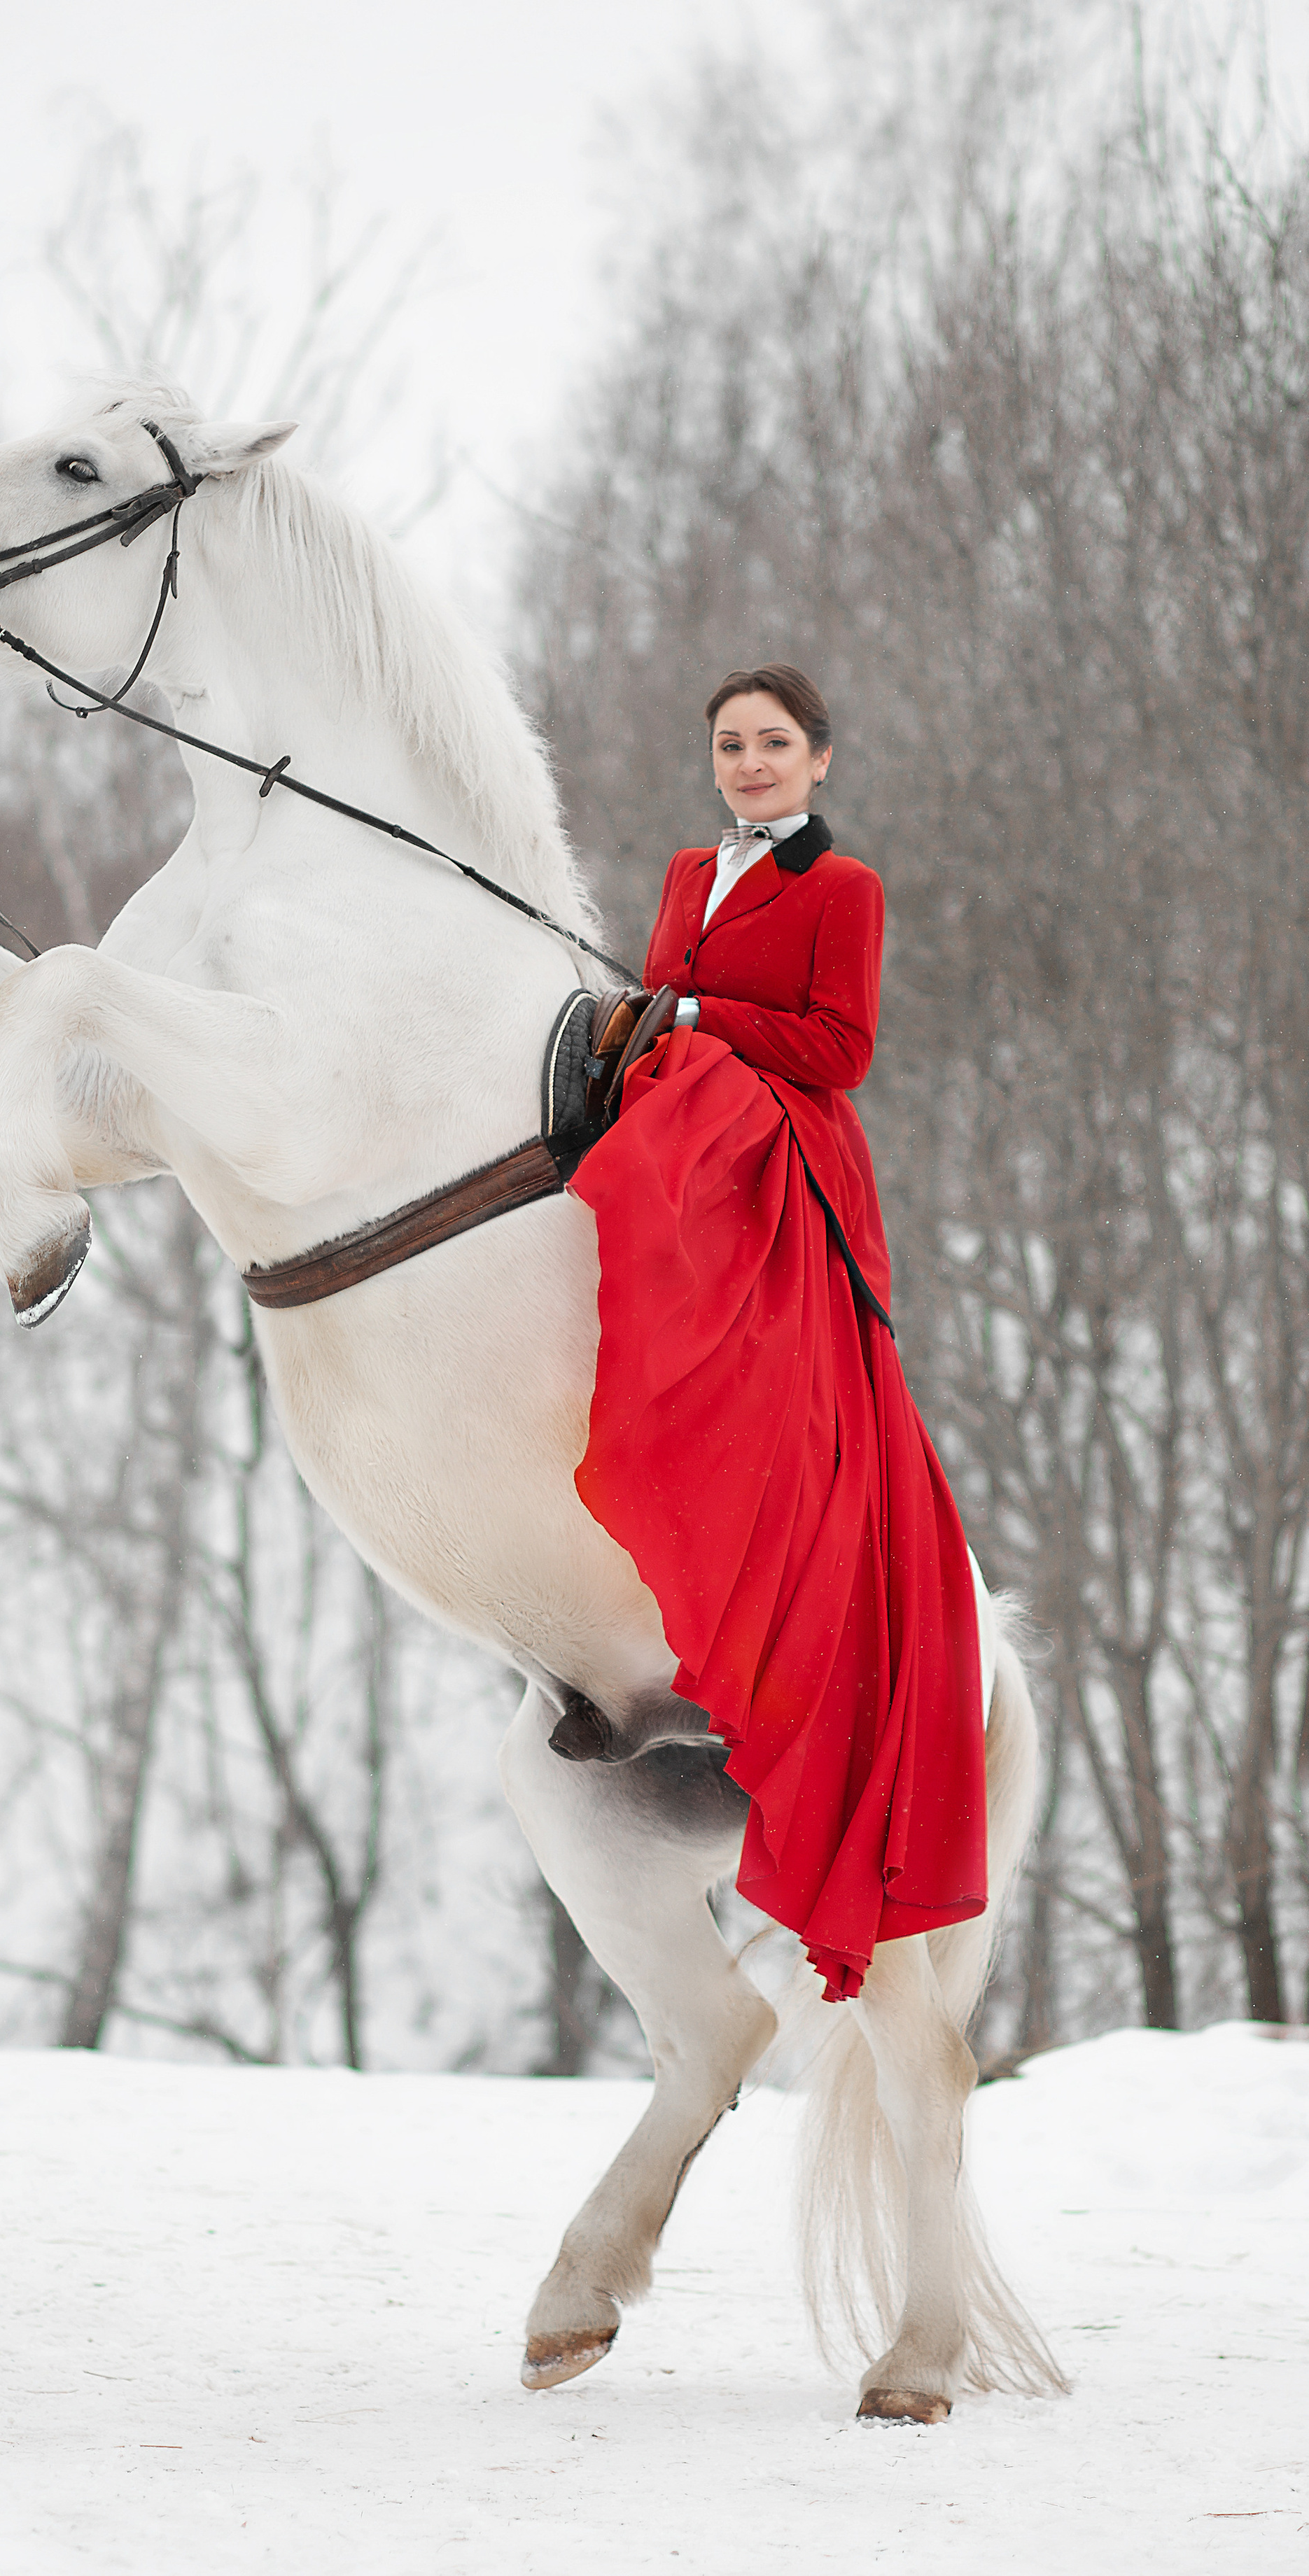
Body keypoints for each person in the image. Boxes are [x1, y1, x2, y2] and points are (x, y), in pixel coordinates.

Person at [570, 663, 986, 2001]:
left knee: (687, 1106)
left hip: (787, 1139)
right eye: (731, 745)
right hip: (690, 1119)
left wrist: (689, 1018)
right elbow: (656, 1001)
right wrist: (641, 1026)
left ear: (821, 761)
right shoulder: (691, 871)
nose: (750, 764)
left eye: (774, 745)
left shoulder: (842, 890)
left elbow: (840, 1048)